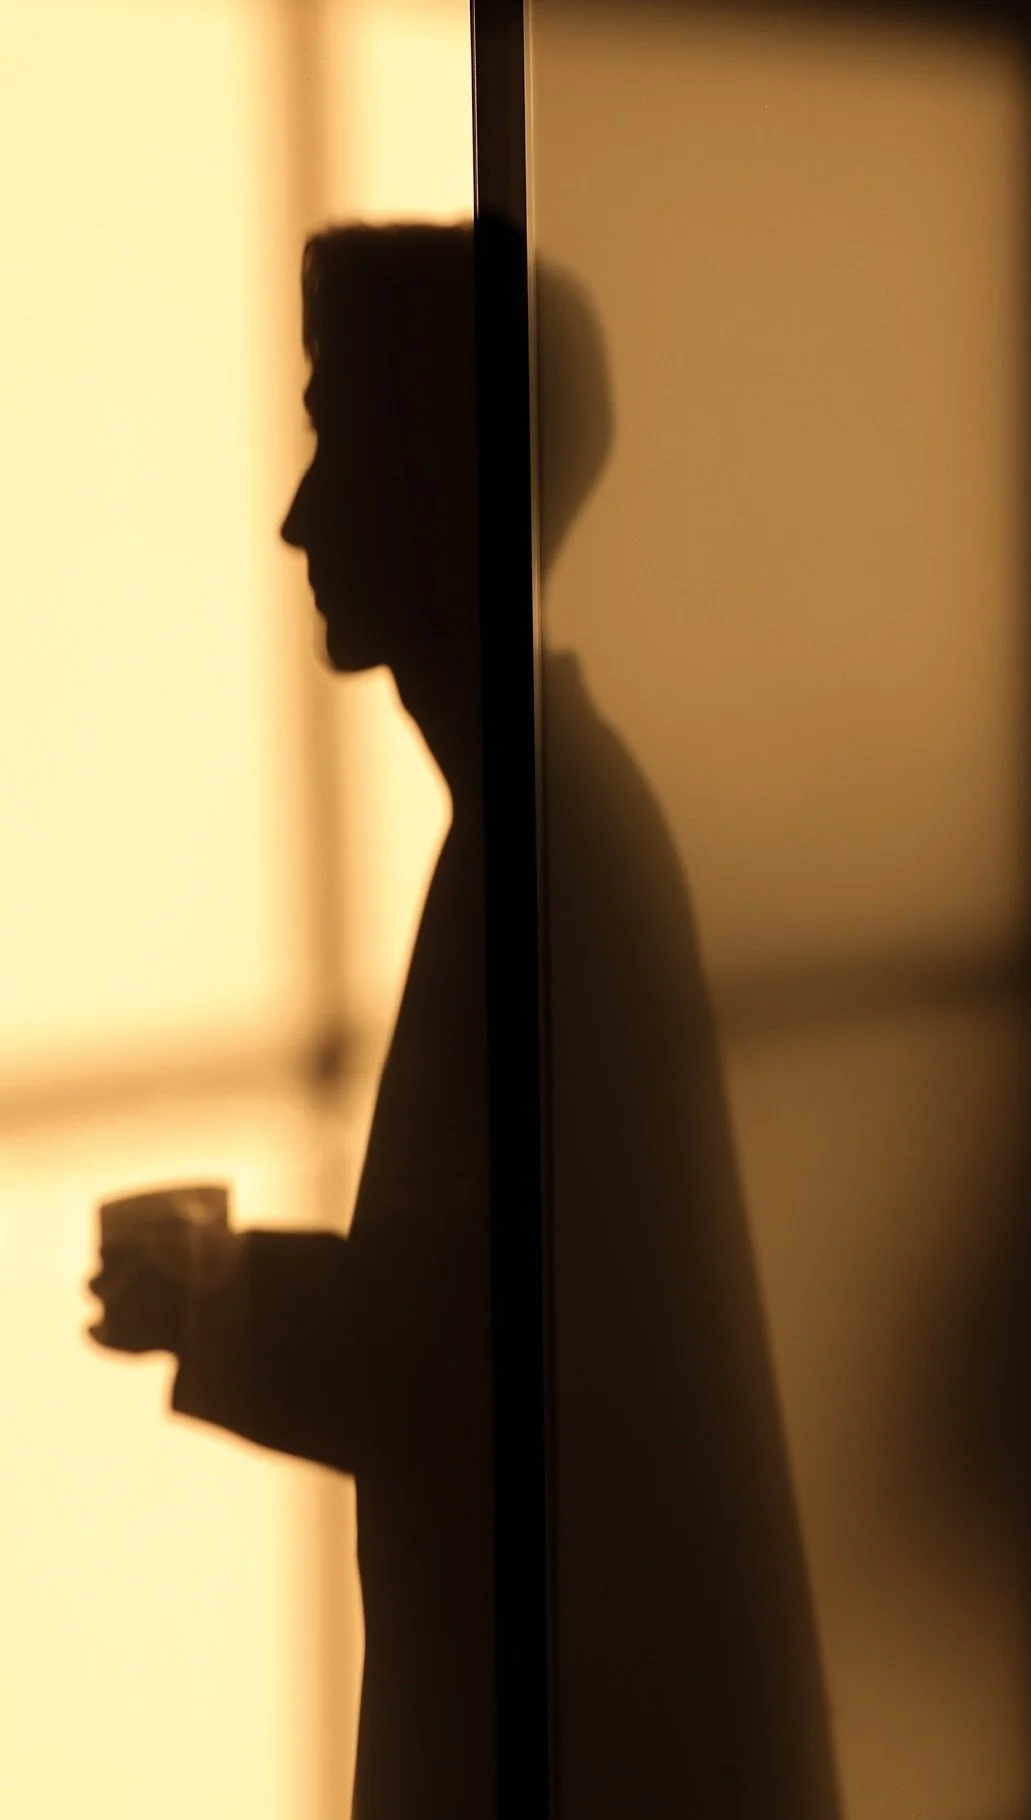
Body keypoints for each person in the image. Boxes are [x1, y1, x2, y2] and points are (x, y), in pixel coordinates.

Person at [89, 220, 840, 1820]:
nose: (298, 518)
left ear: (446, 477)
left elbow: (509, 1368)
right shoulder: (550, 828)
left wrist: (220, 1299)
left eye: (340, 441)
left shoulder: (550, 861)